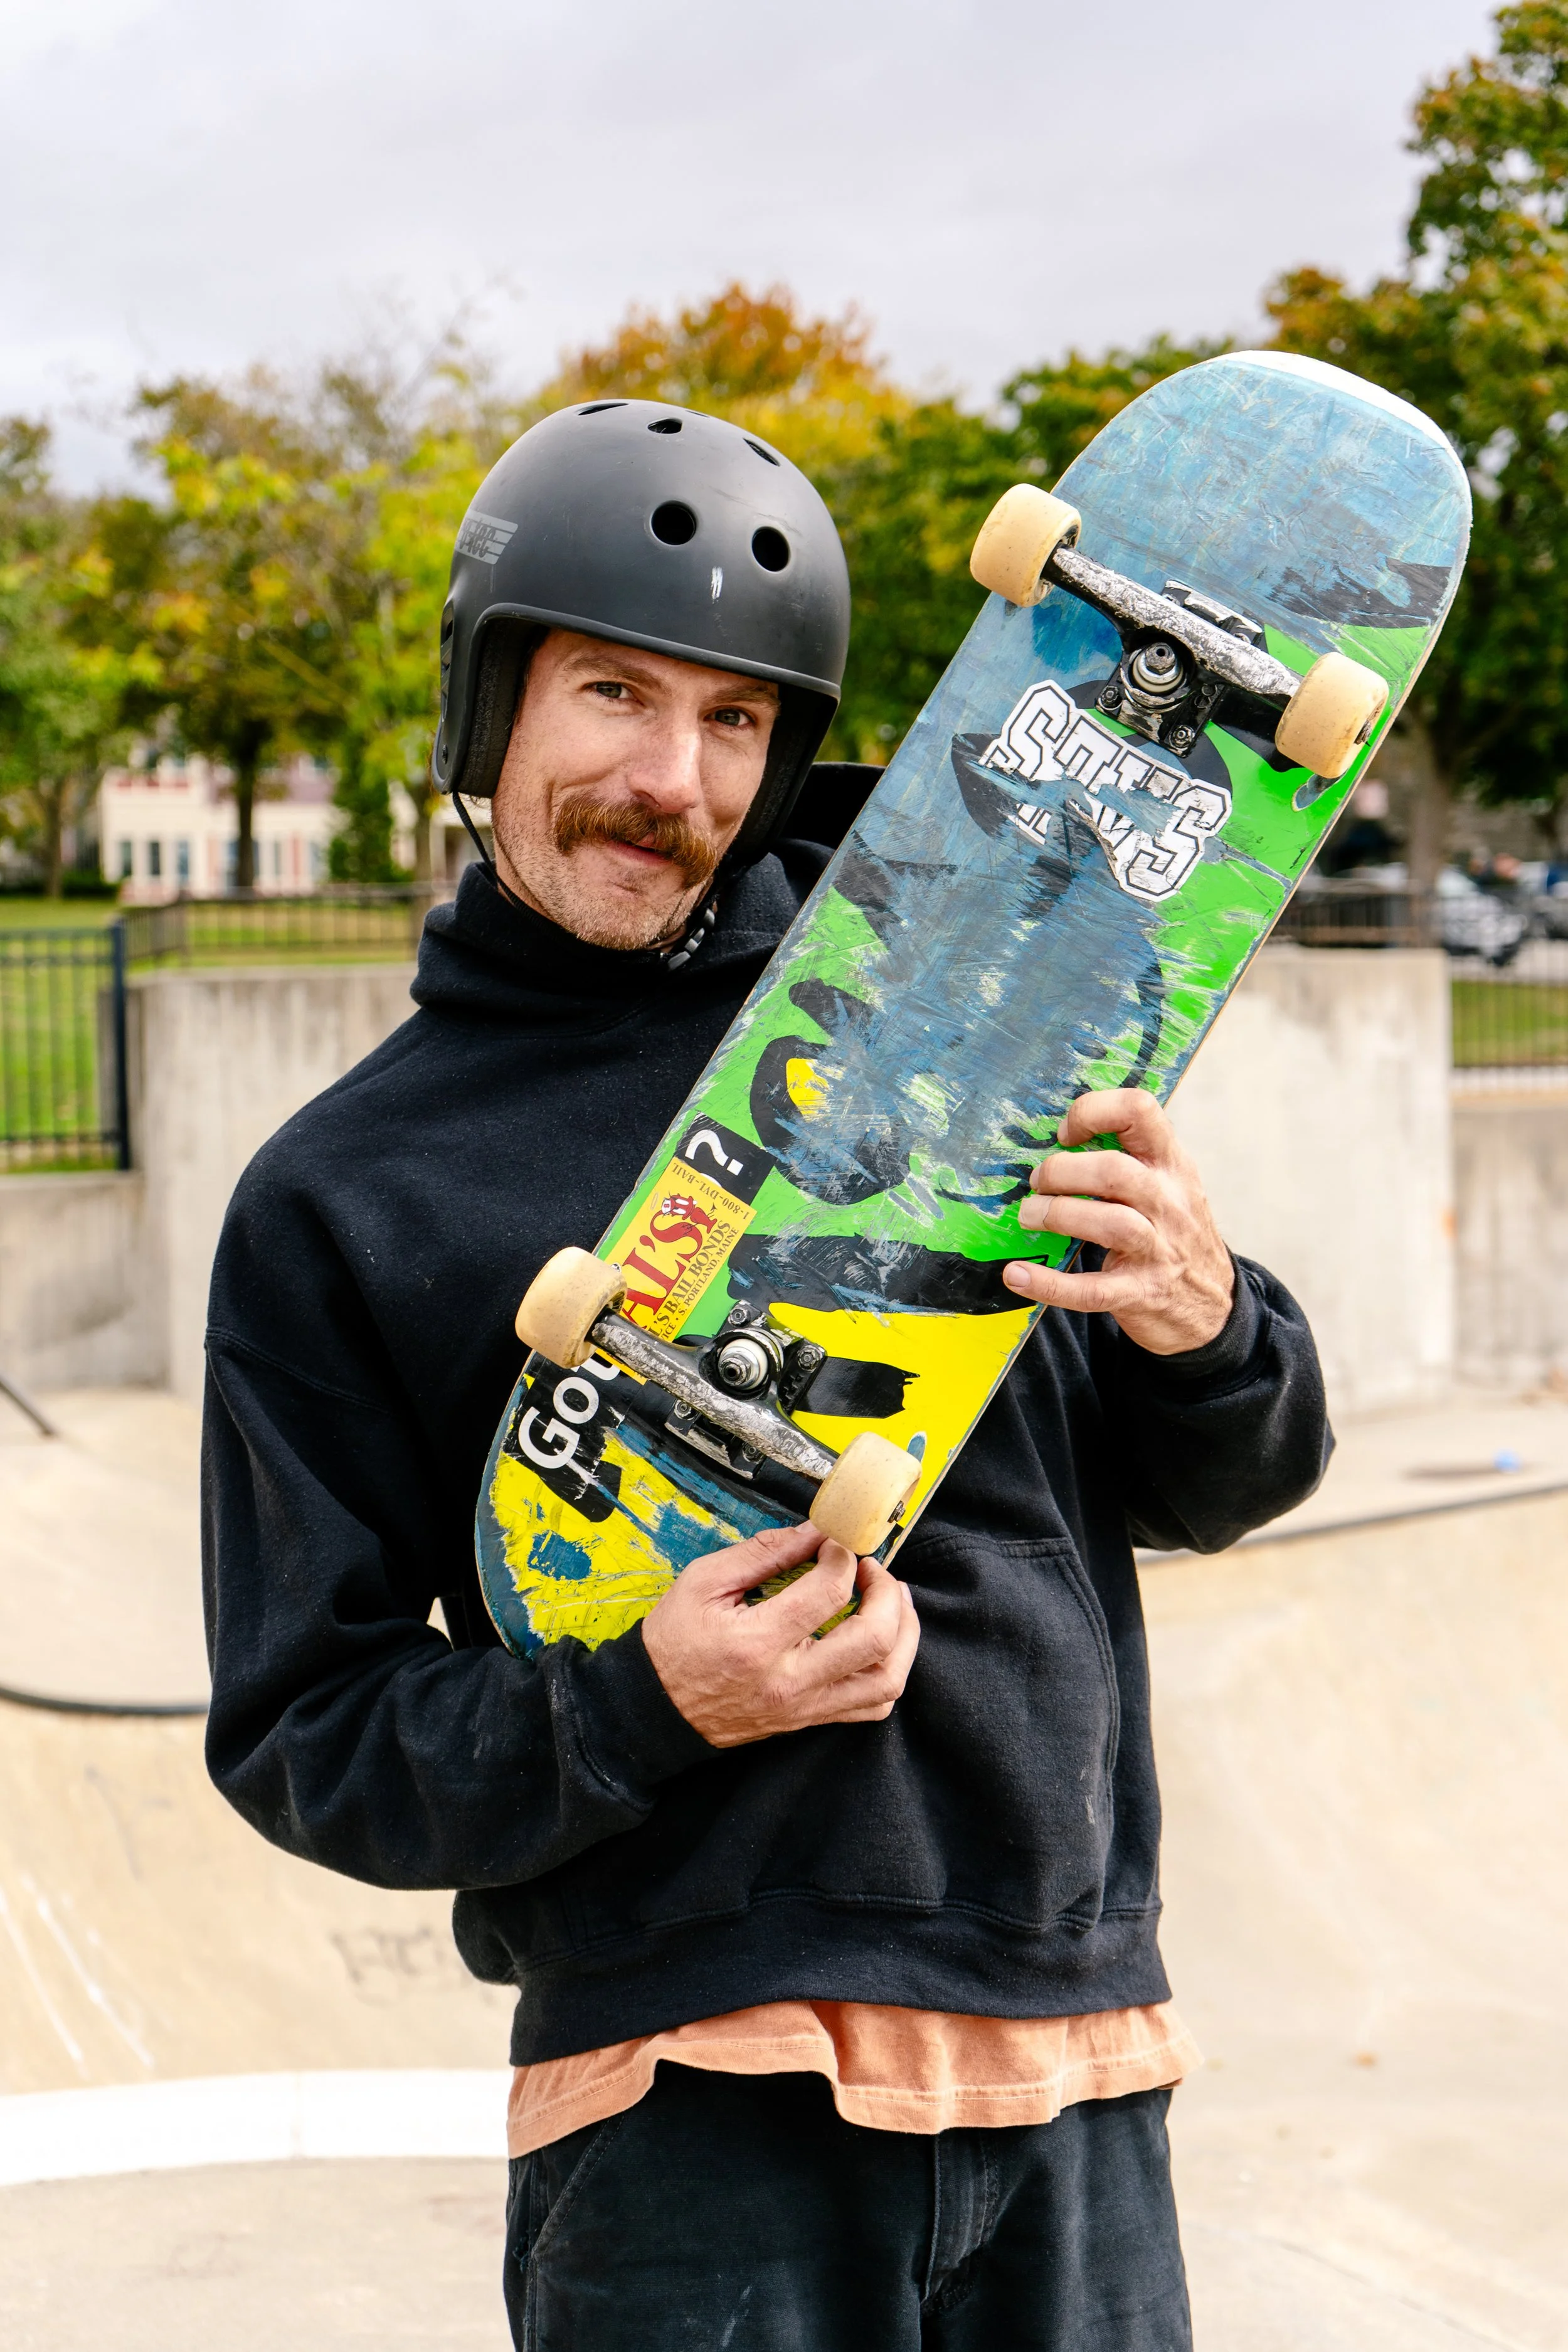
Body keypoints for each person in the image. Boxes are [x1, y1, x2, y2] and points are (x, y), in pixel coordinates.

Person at [203, 400, 1330, 2349]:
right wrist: (643, 1702)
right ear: (491, 712)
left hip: (1066, 2054)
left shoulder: (950, 1008)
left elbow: (1218, 1477)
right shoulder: (348, 1193)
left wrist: (1206, 1327)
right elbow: (308, 1731)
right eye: (613, 694)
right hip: (681, 2096)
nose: (670, 775)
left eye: (734, 721)